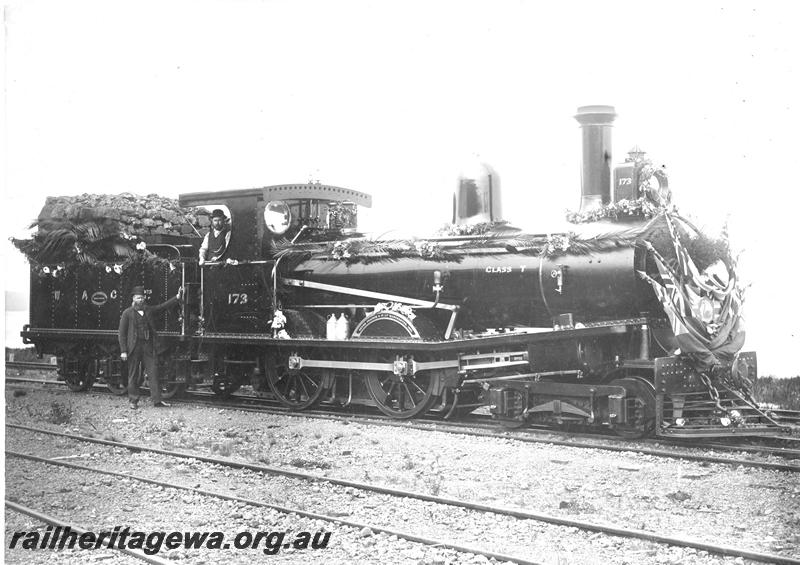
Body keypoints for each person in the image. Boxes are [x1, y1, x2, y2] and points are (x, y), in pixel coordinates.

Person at [118, 285, 183, 408]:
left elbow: (161, 307)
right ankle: (133, 401)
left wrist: (177, 297)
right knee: (133, 375)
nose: (140, 300)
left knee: (153, 372)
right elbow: (121, 333)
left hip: (148, 346)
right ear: (133, 299)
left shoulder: (147, 310)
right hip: (134, 347)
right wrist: (123, 351)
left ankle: (157, 400)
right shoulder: (127, 313)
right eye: (138, 298)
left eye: (142, 298)